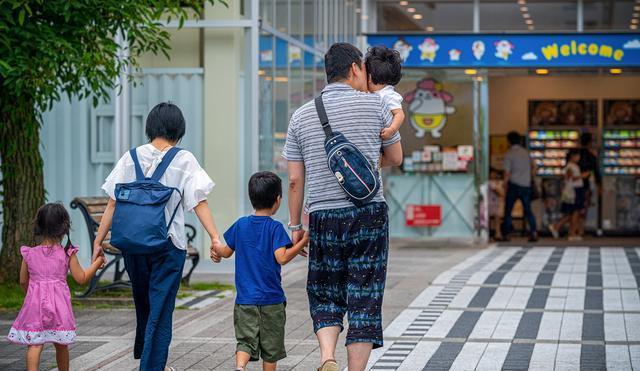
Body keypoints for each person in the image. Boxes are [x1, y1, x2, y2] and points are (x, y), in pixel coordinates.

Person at [282, 42, 403, 371]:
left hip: (322, 215)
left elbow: (294, 181)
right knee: (364, 293)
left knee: (325, 289)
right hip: (368, 214)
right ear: (354, 69)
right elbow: (395, 158)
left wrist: (295, 227)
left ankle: (327, 357)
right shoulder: (375, 106)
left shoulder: (301, 116)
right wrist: (363, 166)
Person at [92, 102, 221, 371]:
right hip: (168, 247)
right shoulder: (183, 159)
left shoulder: (131, 157)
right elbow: (199, 201)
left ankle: (149, 360)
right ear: (178, 130)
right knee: (161, 311)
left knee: (145, 305)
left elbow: (113, 203)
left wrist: (98, 241)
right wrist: (215, 237)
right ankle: (151, 366)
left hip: (133, 247)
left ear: (150, 128)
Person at [212, 171, 310, 371]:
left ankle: (240, 367)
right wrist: (302, 243)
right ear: (277, 200)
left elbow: (226, 251)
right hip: (271, 300)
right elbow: (281, 257)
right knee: (270, 348)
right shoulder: (275, 228)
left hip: (245, 300)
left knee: (245, 341)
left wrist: (216, 250)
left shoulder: (241, 225)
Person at [7, 203, 106, 371]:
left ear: (38, 226)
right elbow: (81, 278)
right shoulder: (67, 253)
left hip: (34, 306)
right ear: (64, 228)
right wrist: (98, 262)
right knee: (61, 344)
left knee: (34, 344)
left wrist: (30, 296)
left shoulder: (29, 253)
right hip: (59, 307)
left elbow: (23, 280)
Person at [500, 131, 538, 242]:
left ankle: (506, 234)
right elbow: (535, 166)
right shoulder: (526, 153)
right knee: (528, 210)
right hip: (526, 185)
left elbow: (506, 173)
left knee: (508, 210)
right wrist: (530, 176)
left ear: (509, 141)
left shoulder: (509, 154)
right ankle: (534, 232)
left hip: (514, 185)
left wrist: (504, 183)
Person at [364, 46, 405, 140]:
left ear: (369, 77)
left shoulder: (388, 95)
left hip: (385, 135)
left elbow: (399, 114)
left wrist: (392, 129)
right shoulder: (372, 92)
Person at [549, 149, 583, 240]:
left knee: (572, 213)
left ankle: (560, 228)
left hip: (573, 191)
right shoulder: (571, 166)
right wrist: (582, 176)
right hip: (573, 191)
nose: (579, 158)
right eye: (577, 156)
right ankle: (571, 233)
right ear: (572, 156)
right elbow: (570, 178)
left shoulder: (572, 166)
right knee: (574, 212)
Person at [577, 132, 601, 237]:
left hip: (572, 186)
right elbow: (596, 172)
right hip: (585, 186)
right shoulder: (591, 156)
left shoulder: (573, 153)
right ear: (590, 142)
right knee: (583, 207)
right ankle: (580, 230)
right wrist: (599, 186)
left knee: (574, 208)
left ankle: (574, 229)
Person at [489, 167, 506, 241]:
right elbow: (500, 193)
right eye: (493, 173)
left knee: (496, 219)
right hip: (492, 203)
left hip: (494, 203)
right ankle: (497, 234)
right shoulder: (491, 183)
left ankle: (497, 233)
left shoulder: (494, 182)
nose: (495, 175)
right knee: (496, 219)